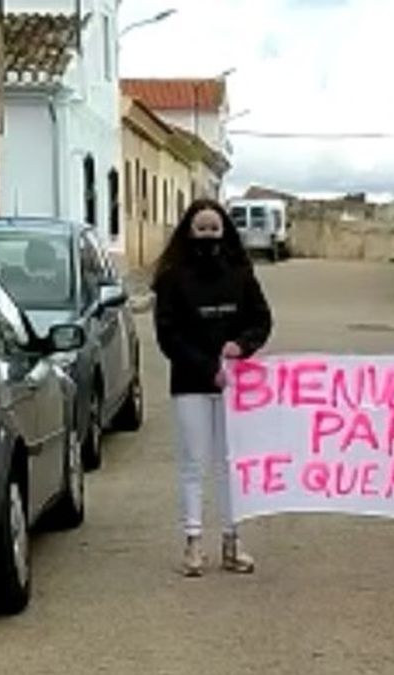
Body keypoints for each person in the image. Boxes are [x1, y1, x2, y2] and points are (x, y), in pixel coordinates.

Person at [151, 198, 273, 577]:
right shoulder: (172, 278)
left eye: (214, 228)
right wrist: (206, 369)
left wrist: (243, 346)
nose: (207, 235)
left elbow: (261, 319)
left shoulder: (241, 273)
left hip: (235, 386)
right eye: (200, 228)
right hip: (190, 383)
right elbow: (168, 335)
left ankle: (232, 541)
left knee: (229, 463)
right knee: (193, 463)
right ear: (189, 231)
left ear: (224, 231)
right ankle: (193, 542)